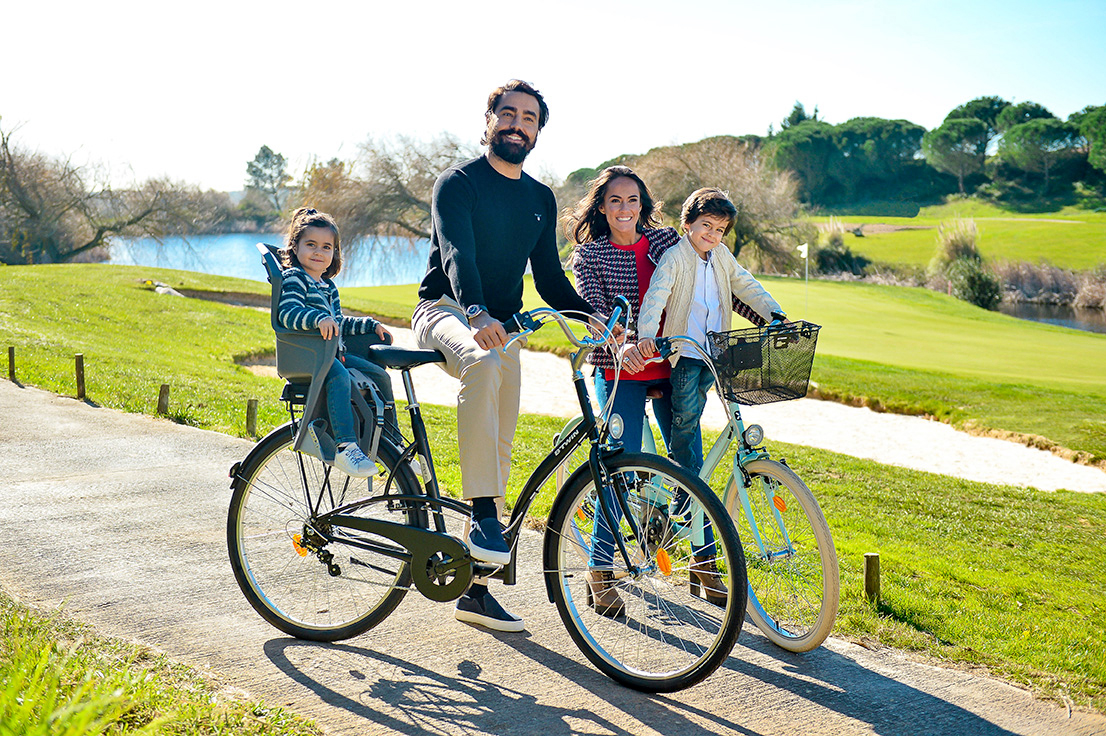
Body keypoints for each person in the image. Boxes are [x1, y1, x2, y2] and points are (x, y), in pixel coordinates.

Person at [412, 80, 601, 632]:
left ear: (538, 131)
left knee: (500, 438)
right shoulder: (458, 183)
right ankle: (487, 519)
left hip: (505, 328)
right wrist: (475, 312)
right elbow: (455, 253)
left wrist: (593, 314)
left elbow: (548, 278)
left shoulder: (540, 200)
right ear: (489, 119)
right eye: (509, 114)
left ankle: (475, 590)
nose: (518, 124)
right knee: (484, 362)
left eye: (530, 118)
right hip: (448, 310)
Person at [637, 188, 788, 606]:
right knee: (686, 433)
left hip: (718, 354)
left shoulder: (721, 257)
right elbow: (657, 297)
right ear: (688, 225)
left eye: (720, 230)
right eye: (706, 226)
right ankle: (688, 486)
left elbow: (746, 284)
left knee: (718, 419)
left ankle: (689, 496)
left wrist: (773, 311)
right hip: (684, 353)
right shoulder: (676, 257)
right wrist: (648, 337)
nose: (713, 235)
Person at [567, 166, 681, 617]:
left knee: (688, 462)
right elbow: (593, 309)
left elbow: (709, 274)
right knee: (619, 470)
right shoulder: (589, 256)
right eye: (615, 200)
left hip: (670, 364)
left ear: (643, 205)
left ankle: (707, 563)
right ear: (601, 206)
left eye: (632, 200)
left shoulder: (666, 242)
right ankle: (600, 567)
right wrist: (622, 343)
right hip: (618, 369)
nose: (625, 208)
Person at [277, 206, 396, 478]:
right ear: (295, 248)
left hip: (332, 353)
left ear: (334, 253)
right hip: (309, 357)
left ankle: (391, 441)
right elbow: (287, 314)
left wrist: (370, 324)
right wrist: (317, 319)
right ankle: (345, 446)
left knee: (379, 376)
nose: (319, 252)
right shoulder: (295, 279)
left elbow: (338, 322)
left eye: (326, 247)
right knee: (340, 376)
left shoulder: (328, 286)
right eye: (311, 245)